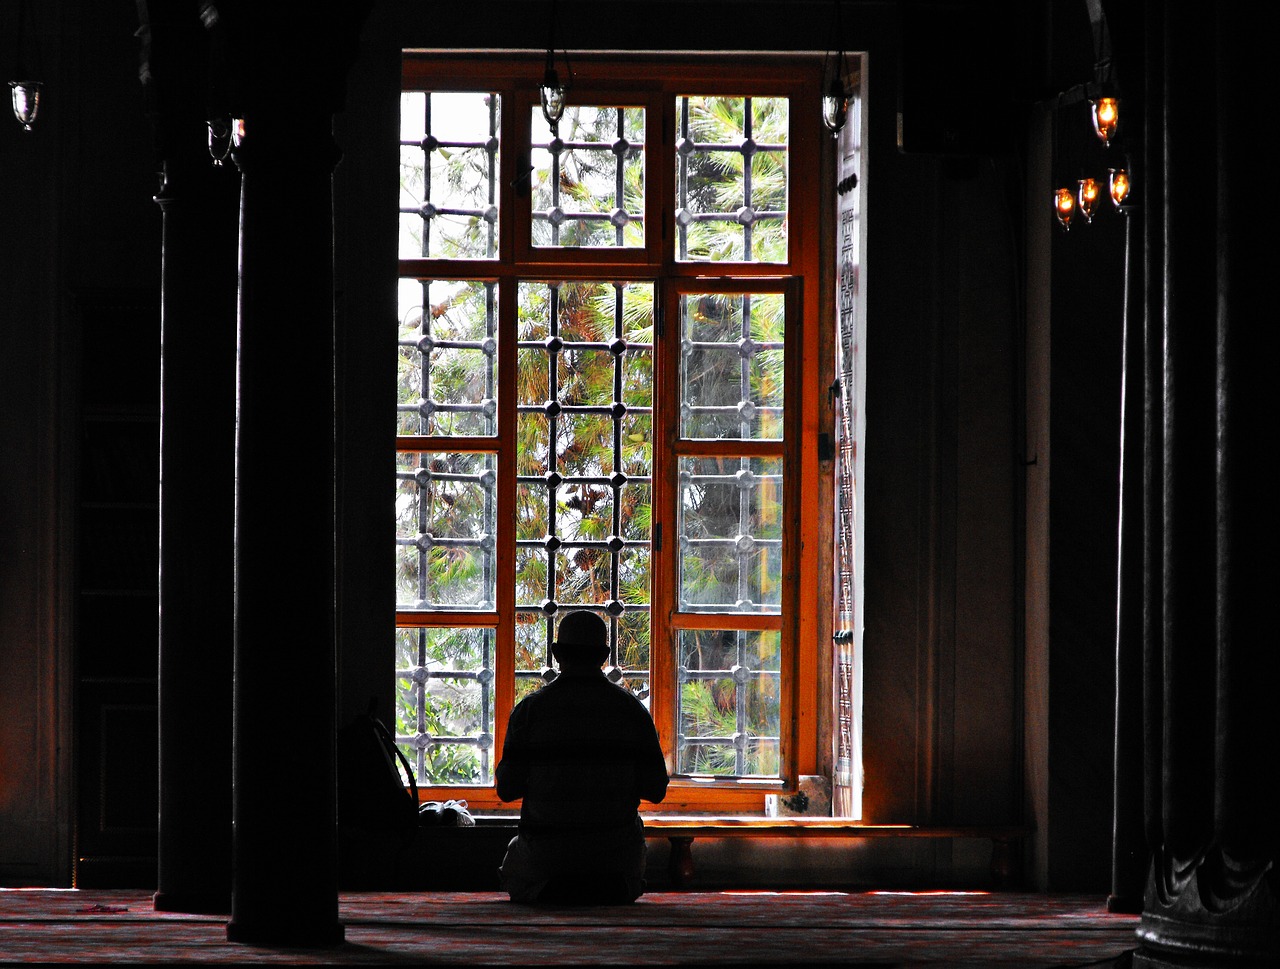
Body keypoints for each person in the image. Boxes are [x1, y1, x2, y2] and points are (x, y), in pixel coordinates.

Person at [495, 610, 669, 904]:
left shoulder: (530, 711)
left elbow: (507, 789)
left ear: (557, 653)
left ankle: (553, 888)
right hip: (614, 863)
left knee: (516, 855)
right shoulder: (631, 711)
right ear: (604, 655)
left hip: (548, 863)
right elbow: (656, 790)